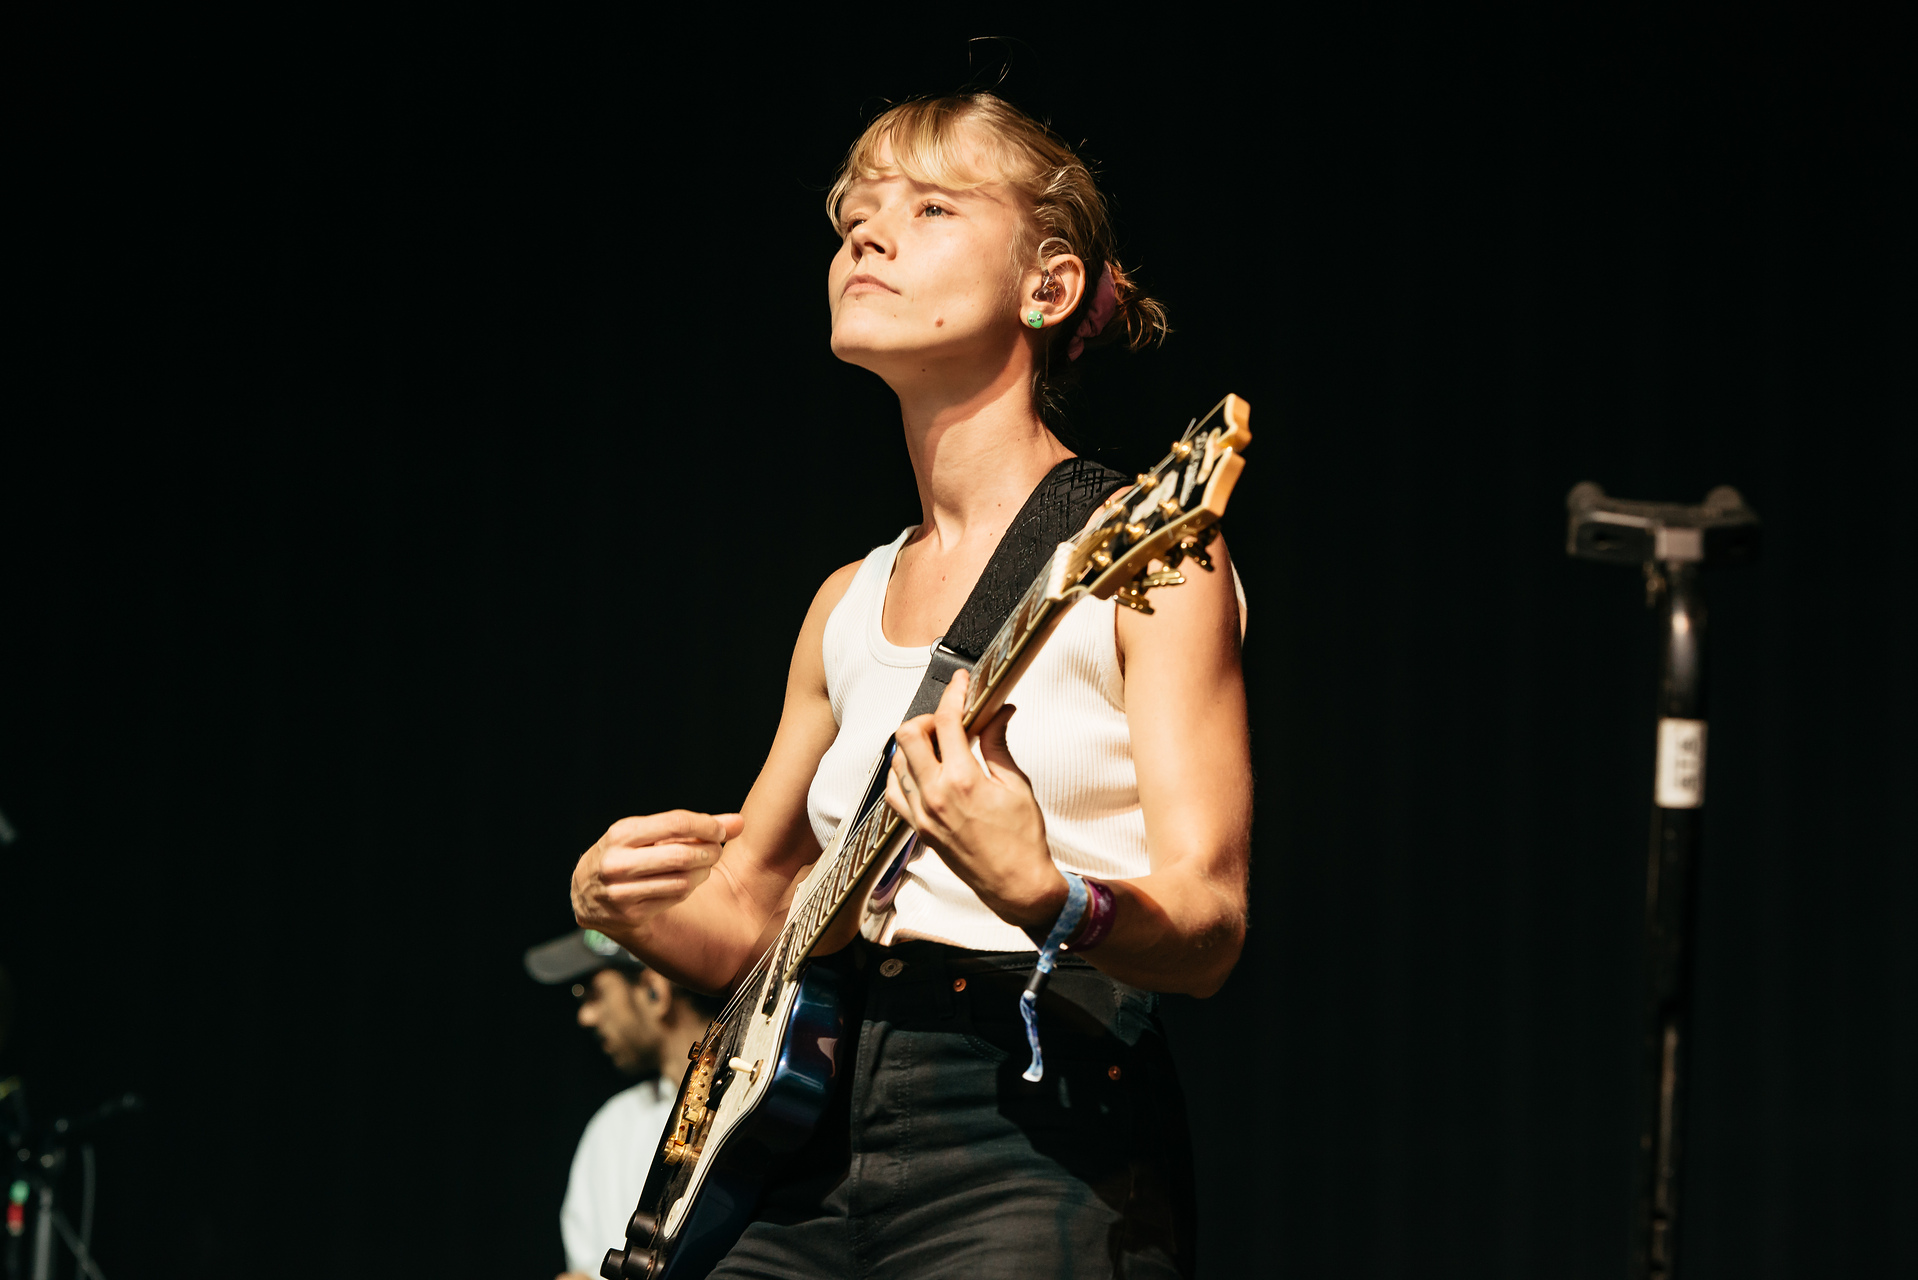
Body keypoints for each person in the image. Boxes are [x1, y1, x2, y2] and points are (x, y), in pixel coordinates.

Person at [570, 91, 1251, 1279]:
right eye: (854, 216)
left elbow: (1209, 927)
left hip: (1033, 1115)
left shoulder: (1147, 553)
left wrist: (1049, 893)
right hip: (804, 1125)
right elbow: (752, 917)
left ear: (1047, 286)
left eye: (930, 207)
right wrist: (616, 904)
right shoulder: (846, 599)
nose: (866, 236)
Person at [524, 928, 717, 1279]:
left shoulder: (763, 1096)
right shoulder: (613, 1127)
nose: (585, 1016)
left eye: (593, 992)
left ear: (654, 991)